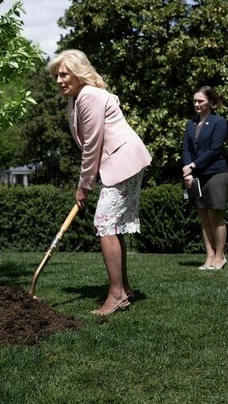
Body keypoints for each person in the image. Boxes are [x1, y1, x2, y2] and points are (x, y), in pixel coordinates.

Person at [48, 50, 152, 316]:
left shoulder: (88, 95)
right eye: (56, 75)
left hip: (122, 162)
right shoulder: (76, 98)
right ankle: (124, 290)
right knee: (112, 226)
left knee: (105, 224)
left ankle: (116, 294)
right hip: (117, 164)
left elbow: (92, 143)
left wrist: (84, 184)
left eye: (64, 74)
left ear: (78, 72)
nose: (59, 80)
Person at [182, 86, 228, 270]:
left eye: (201, 101)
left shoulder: (219, 122)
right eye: (195, 101)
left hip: (216, 173)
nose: (197, 104)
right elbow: (186, 148)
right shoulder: (190, 124)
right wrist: (188, 171)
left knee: (215, 214)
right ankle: (209, 256)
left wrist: (193, 166)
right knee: (203, 215)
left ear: (211, 102)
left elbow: (214, 149)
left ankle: (220, 257)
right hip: (195, 176)